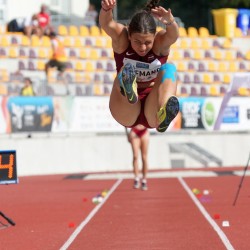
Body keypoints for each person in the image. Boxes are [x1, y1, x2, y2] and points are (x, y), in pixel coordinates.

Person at [99, 0, 180, 133]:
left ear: (154, 37)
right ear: (129, 35)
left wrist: (170, 21)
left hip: (151, 109)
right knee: (125, 72)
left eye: (148, 42)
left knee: (169, 68)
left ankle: (163, 112)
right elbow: (107, 24)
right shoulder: (122, 39)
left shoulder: (159, 44)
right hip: (125, 109)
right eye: (137, 42)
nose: (142, 47)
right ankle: (130, 90)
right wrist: (106, 10)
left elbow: (173, 35)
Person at [126, 125, 150, 190]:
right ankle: (136, 178)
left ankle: (144, 180)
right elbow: (124, 120)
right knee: (135, 156)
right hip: (134, 131)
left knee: (144, 157)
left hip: (144, 130)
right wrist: (127, 134)